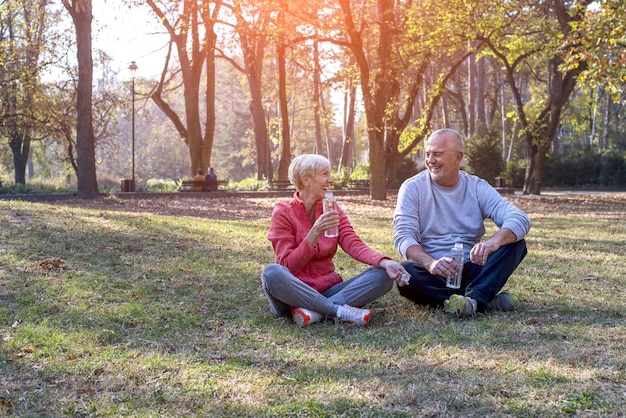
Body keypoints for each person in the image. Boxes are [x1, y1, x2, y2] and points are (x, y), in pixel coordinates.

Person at [392, 128, 531, 318]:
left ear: (458, 157)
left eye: (438, 154)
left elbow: (519, 218)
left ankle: (470, 300)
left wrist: (492, 243)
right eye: (428, 154)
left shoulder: (476, 187)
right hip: (434, 274)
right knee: (406, 273)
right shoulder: (412, 188)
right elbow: (403, 236)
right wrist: (431, 263)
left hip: (473, 267)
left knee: (515, 243)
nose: (431, 160)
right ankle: (482, 300)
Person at [261, 154, 410, 327]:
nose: (330, 180)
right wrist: (315, 232)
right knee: (271, 273)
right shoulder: (283, 212)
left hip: (328, 290)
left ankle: (314, 312)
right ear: (306, 179)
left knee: (384, 274)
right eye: (324, 174)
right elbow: (287, 266)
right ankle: (338, 311)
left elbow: (353, 243)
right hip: (294, 294)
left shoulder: (331, 209)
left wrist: (384, 262)